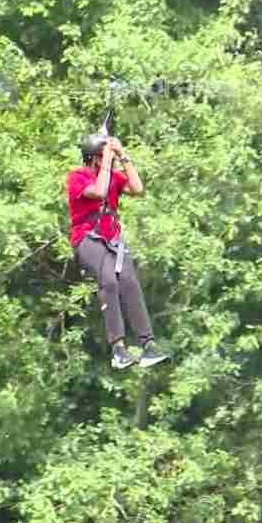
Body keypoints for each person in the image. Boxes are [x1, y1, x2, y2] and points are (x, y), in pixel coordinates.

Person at [66, 133, 170, 370]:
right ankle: (118, 349)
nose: (109, 161)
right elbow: (99, 192)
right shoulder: (77, 177)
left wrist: (123, 156)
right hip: (87, 239)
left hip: (112, 239)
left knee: (130, 282)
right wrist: (106, 161)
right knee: (109, 282)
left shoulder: (113, 176)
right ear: (93, 158)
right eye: (104, 157)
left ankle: (148, 345)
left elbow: (138, 188)